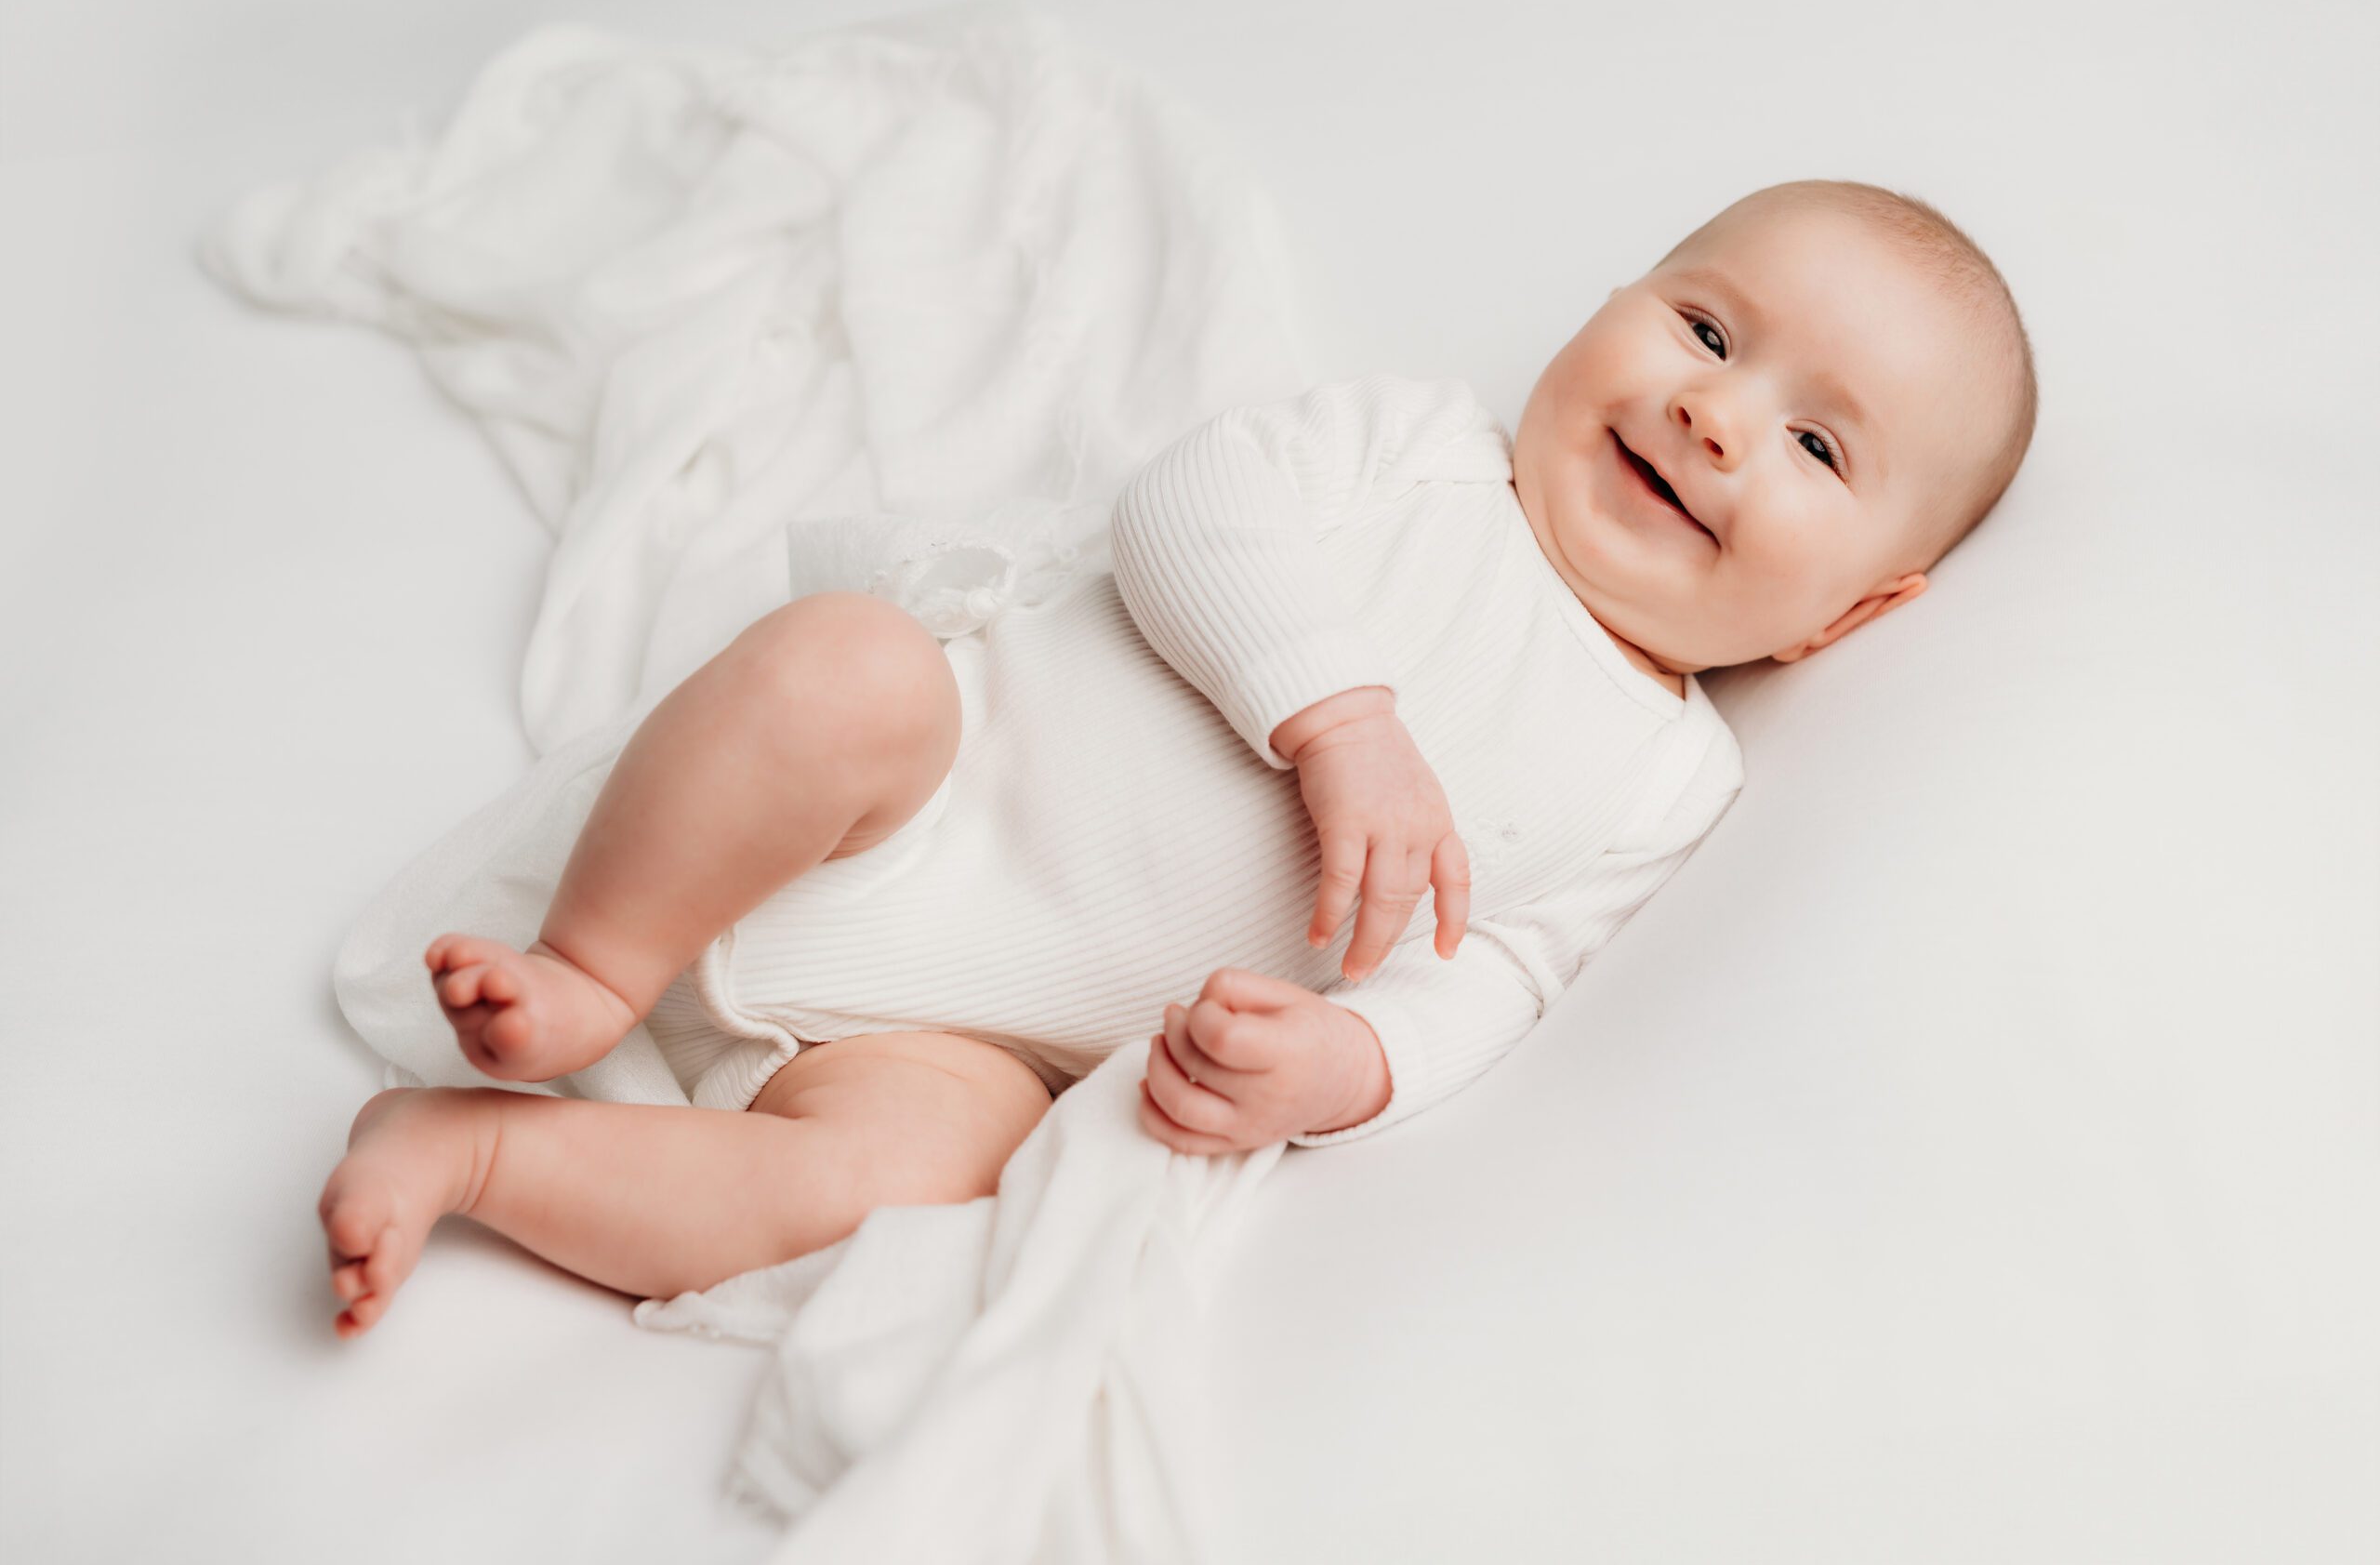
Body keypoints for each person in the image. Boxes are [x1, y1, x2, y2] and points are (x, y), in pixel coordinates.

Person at [316, 179, 2037, 1339]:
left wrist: (1343, 1072)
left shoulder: (1668, 778)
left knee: (916, 1185)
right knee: (848, 666)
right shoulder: (1414, 453)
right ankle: (593, 967)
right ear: (1609, 311)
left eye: (1814, 442)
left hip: (985, 1039)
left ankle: (474, 1157)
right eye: (1705, 331)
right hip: (919, 790)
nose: (1715, 415)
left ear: (1848, 623)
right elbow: (1186, 510)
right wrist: (1338, 718)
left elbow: (1504, 976)